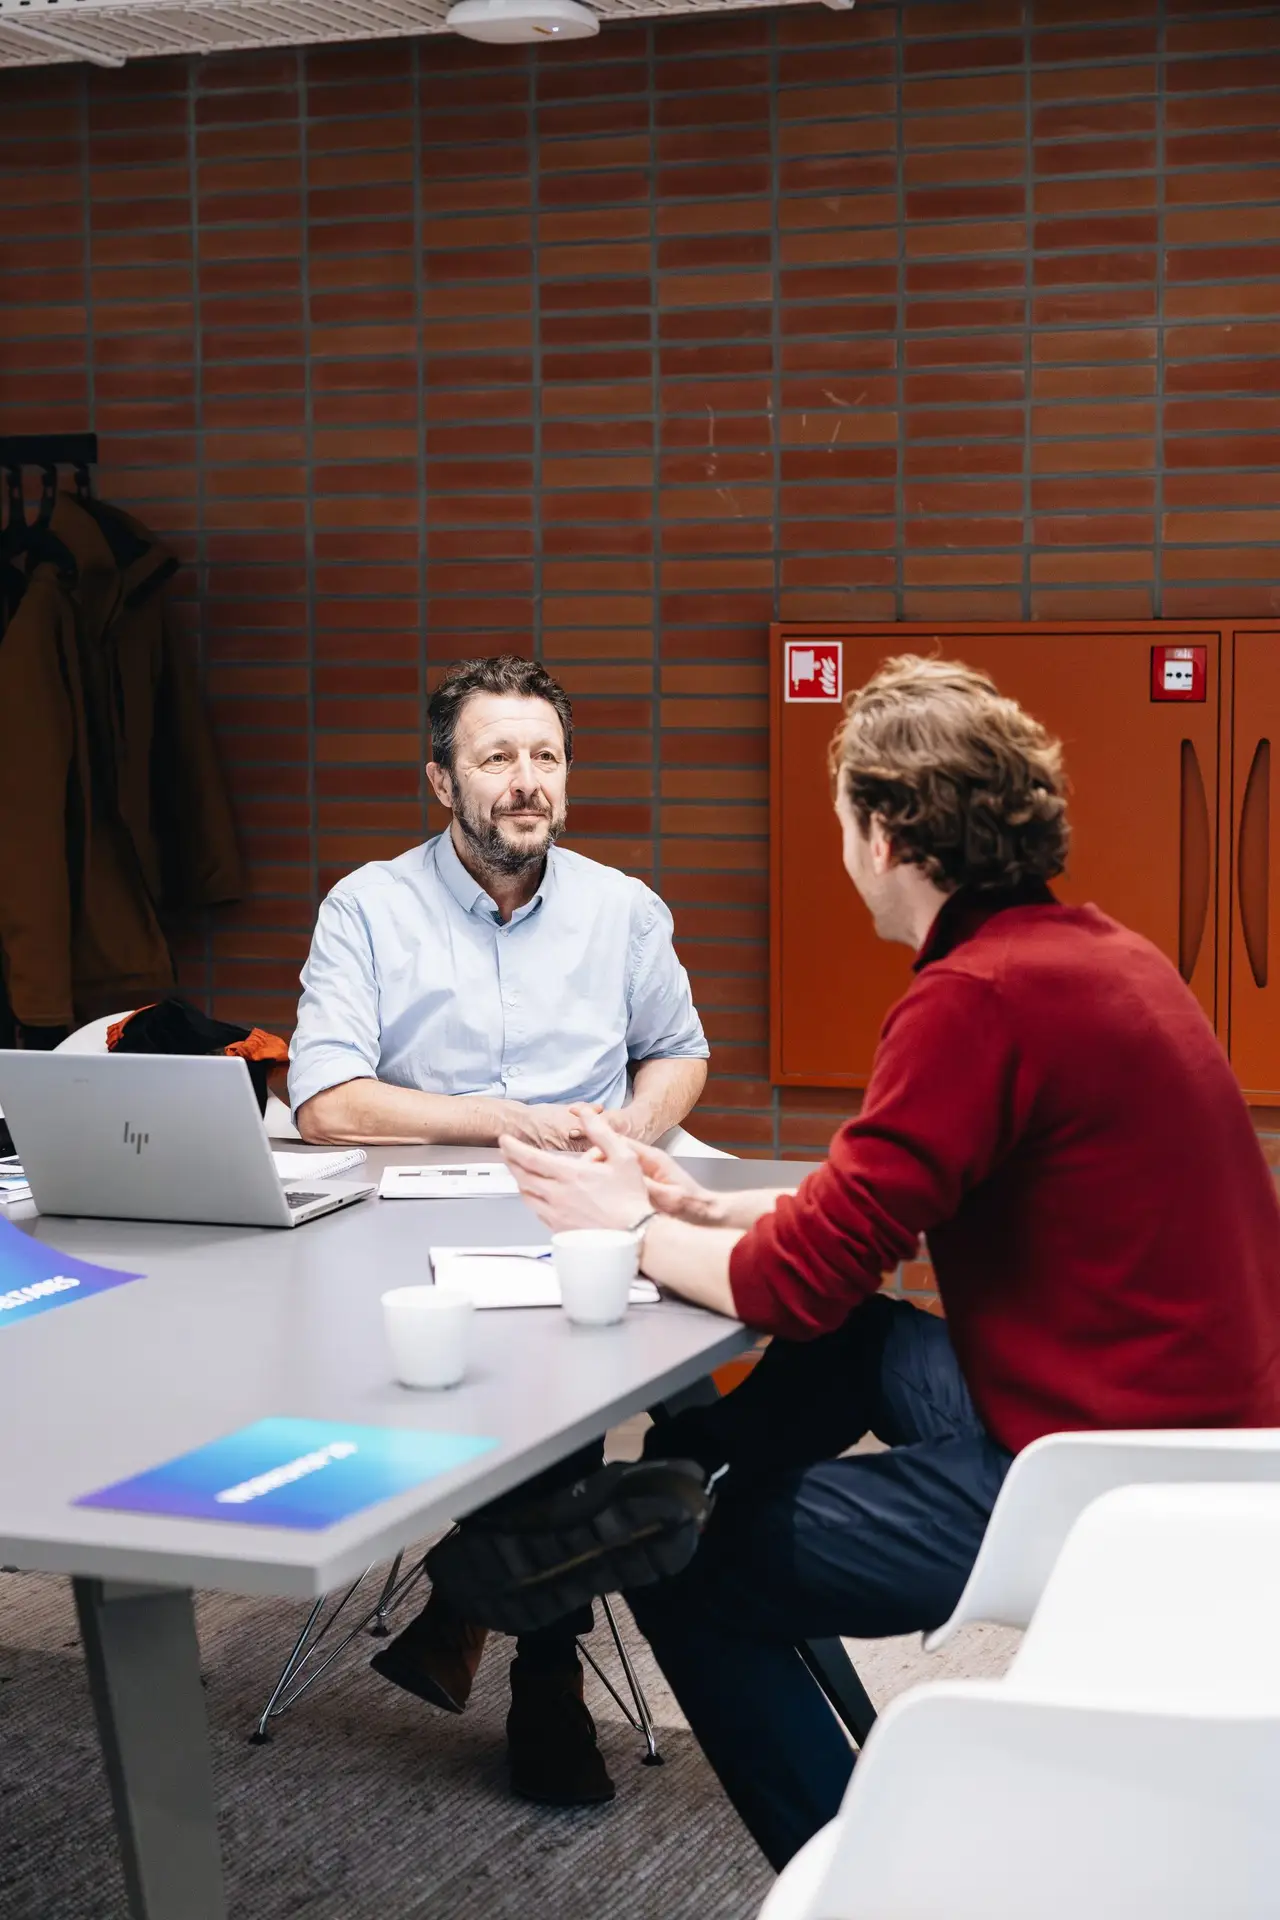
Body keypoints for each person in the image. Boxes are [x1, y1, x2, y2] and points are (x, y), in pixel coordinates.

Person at [434, 654, 1280, 1868]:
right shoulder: (1096, 955)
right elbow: (891, 1203)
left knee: (689, 1574)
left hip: (1101, 1482)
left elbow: (793, 1287)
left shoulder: (973, 997)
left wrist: (618, 1225)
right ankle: (641, 1499)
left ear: (882, 836)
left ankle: (865, 1871)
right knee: (861, 1344)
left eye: (840, 824)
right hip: (1203, 1440)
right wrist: (694, 1204)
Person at [287, 653, 709, 1808]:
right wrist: (500, 1121)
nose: (526, 781)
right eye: (496, 758)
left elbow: (679, 1053)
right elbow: (326, 1100)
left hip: (582, 1203)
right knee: (539, 1365)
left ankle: (490, 1610)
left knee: (593, 1348)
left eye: (545, 757)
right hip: (416, 1224)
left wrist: (628, 1128)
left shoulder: (622, 908)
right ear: (442, 780)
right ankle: (538, 1659)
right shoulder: (369, 907)